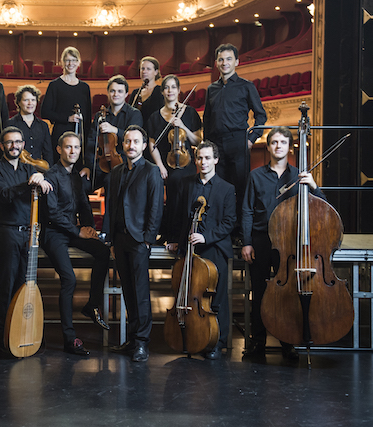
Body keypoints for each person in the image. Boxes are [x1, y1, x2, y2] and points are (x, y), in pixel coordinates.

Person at [240, 126, 324, 360]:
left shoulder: (299, 177)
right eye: (274, 142)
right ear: (268, 147)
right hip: (260, 241)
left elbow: (322, 207)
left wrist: (314, 185)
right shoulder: (255, 176)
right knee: (259, 294)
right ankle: (258, 342)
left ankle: (288, 342)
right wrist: (247, 242)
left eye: (283, 143)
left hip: (289, 244)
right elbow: (247, 210)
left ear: (290, 147)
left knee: (288, 294)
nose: (278, 146)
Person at [0, 126, 53, 354]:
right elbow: (4, 196)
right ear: (2, 146)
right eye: (9, 142)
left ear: (23, 144)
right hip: (6, 234)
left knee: (26, 286)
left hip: (28, 235)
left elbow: (46, 174)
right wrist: (31, 183)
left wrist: (41, 176)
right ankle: (4, 342)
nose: (15, 146)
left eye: (18, 142)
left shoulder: (28, 168)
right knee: (6, 287)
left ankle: (25, 334)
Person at [41, 132, 111, 356]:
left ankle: (92, 304)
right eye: (68, 147)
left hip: (72, 230)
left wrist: (89, 228)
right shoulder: (51, 175)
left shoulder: (77, 176)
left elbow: (83, 205)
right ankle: (69, 338)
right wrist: (78, 230)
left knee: (103, 252)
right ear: (59, 149)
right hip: (53, 232)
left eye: (77, 148)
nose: (73, 151)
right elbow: (52, 213)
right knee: (69, 279)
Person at [103, 125, 163, 362]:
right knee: (128, 290)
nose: (131, 145)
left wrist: (148, 239)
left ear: (143, 146)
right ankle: (132, 339)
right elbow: (111, 207)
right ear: (123, 144)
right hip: (120, 239)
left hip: (139, 240)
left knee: (140, 293)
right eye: (127, 141)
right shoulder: (116, 172)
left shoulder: (152, 171)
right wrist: (110, 239)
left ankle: (141, 343)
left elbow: (156, 208)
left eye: (136, 142)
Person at [170, 141, 236, 359]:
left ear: (215, 160)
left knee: (216, 300)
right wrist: (176, 241)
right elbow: (180, 216)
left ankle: (218, 342)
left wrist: (206, 236)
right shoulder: (187, 184)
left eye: (207, 158)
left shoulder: (227, 188)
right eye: (199, 158)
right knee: (191, 296)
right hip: (190, 248)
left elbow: (229, 222)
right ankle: (193, 336)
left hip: (215, 249)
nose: (203, 162)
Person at [203, 43, 267, 224]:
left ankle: (240, 231)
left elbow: (261, 116)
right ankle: (220, 230)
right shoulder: (211, 89)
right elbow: (207, 120)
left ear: (236, 62)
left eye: (229, 59)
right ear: (216, 63)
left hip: (238, 141)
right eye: (221, 59)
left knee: (240, 188)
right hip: (216, 144)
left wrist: (251, 139)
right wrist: (207, 146)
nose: (225, 63)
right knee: (218, 188)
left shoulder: (246, 86)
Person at [147, 74, 202, 242]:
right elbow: (152, 145)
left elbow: (198, 141)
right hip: (166, 164)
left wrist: (182, 126)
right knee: (170, 191)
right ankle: (170, 234)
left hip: (186, 163)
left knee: (181, 188)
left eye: (173, 87)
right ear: (162, 92)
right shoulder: (155, 117)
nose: (169, 90)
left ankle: (180, 235)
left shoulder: (190, 112)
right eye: (166, 87)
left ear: (179, 90)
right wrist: (160, 166)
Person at [86, 74, 143, 190]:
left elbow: (135, 140)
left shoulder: (134, 114)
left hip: (125, 163)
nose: (116, 94)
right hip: (101, 164)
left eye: (120, 91)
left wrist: (115, 130)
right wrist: (88, 167)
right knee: (81, 183)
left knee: (110, 181)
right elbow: (91, 142)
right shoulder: (100, 116)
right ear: (108, 92)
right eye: (112, 91)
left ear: (126, 94)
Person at [41, 46, 91, 163]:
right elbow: (45, 112)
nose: (70, 63)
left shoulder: (84, 88)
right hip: (60, 134)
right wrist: (68, 118)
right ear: (62, 63)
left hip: (79, 137)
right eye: (67, 60)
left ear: (78, 63)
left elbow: (87, 116)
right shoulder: (55, 85)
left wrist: (85, 136)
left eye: (74, 60)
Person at [6, 84, 53, 167]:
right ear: (19, 102)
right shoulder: (11, 124)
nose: (30, 103)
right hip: (17, 169)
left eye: (33, 100)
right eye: (26, 100)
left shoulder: (43, 125)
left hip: (38, 169)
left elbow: (48, 153)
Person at [128, 56, 164, 133]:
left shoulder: (161, 91)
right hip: (137, 134)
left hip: (154, 132)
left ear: (156, 72)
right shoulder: (135, 92)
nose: (144, 71)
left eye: (148, 69)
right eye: (142, 68)